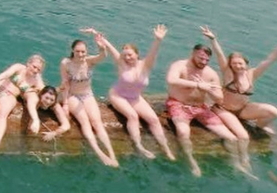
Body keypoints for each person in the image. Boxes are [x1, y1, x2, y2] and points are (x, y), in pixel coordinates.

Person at [165, 41, 250, 177]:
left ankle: (236, 163)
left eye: (207, 60)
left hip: (200, 107)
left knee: (232, 138)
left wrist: (209, 90)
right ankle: (192, 162)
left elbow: (219, 99)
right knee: (183, 132)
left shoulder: (211, 74)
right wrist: (198, 85)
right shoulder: (180, 65)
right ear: (193, 54)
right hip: (178, 104)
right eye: (201, 58)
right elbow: (171, 80)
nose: (204, 62)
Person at [94, 25, 175, 160]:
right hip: (118, 95)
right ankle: (138, 146)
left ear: (137, 54)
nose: (127, 58)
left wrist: (158, 40)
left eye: (130, 55)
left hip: (135, 97)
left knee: (154, 119)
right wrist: (102, 40)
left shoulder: (145, 65)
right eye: (125, 55)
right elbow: (112, 49)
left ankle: (165, 148)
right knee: (132, 116)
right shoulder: (121, 63)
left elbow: (153, 53)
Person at [201, 26, 277, 136]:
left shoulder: (252, 74)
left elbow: (268, 61)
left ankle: (259, 127)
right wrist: (213, 39)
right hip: (224, 109)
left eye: (240, 63)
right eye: (234, 64)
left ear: (246, 64)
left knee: (274, 112)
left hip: (243, 110)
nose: (237, 66)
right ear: (230, 65)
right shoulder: (228, 73)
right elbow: (219, 54)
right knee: (241, 134)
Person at [60, 30, 118, 167]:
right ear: (73, 51)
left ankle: (112, 154)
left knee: (97, 123)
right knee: (85, 122)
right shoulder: (66, 63)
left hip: (87, 95)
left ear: (86, 52)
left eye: (83, 52)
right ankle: (100, 154)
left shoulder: (89, 61)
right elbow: (65, 83)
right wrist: (66, 103)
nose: (81, 54)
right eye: (78, 51)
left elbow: (103, 56)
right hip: (73, 95)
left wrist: (101, 46)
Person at [0, 55, 45, 151]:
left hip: (10, 95)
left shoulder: (36, 80)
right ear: (28, 64)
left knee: (2, 115)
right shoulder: (19, 67)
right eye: (34, 67)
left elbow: (44, 91)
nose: (36, 70)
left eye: (39, 69)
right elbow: (7, 73)